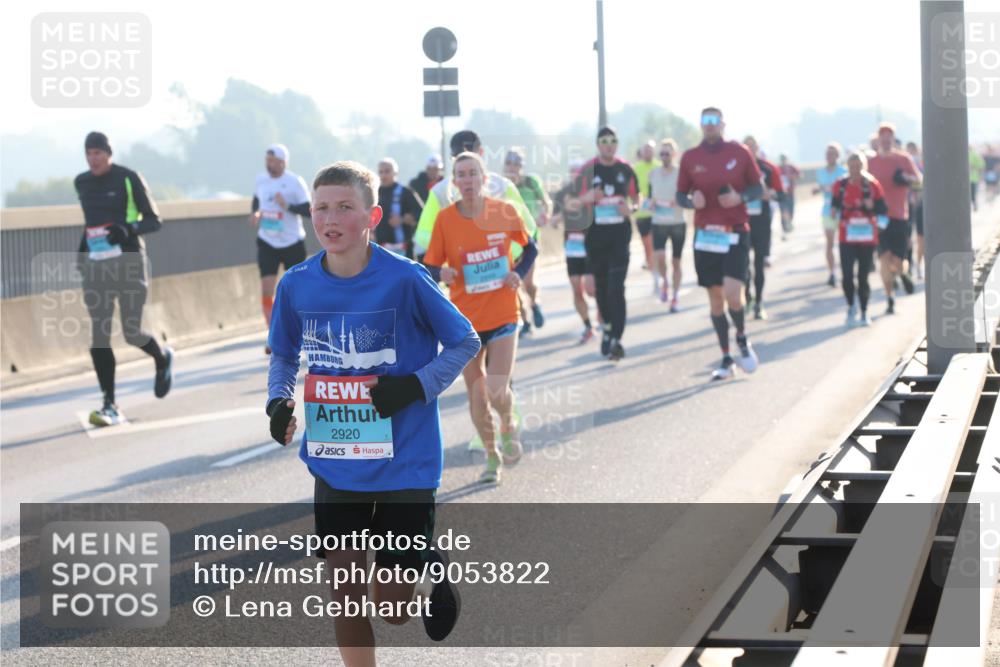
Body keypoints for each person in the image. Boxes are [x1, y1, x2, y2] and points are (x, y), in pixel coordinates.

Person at [266, 161, 479, 664]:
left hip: (405, 462)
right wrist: (278, 400)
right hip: (336, 460)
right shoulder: (296, 285)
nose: (330, 218)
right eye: (321, 208)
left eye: (344, 207)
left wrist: (413, 387)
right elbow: (282, 354)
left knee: (392, 609)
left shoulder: (406, 279)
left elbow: (464, 340)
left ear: (372, 215)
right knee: (345, 596)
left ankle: (426, 562)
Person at [423, 152, 537, 483]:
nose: (468, 180)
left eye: (474, 173)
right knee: (476, 394)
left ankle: (509, 423)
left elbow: (530, 248)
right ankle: (491, 457)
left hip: (502, 312)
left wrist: (519, 272)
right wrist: (441, 271)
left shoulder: (504, 212)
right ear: (454, 183)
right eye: (461, 175)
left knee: (497, 388)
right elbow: (429, 266)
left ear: (484, 179)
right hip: (464, 323)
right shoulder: (445, 220)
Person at [74, 131, 174, 427]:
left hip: (129, 262)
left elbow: (154, 220)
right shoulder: (82, 182)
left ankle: (161, 357)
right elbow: (90, 225)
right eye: (88, 153)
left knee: (131, 332)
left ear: (109, 153)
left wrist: (127, 229)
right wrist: (81, 256)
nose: (93, 159)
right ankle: (109, 403)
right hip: (96, 267)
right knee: (99, 335)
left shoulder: (128, 178)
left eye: (98, 153)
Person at [676, 108, 763, 380]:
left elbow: (758, 188)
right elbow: (680, 195)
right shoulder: (691, 157)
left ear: (723, 124)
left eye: (715, 120)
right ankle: (726, 359)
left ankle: (741, 337)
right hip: (706, 236)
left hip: (735, 231)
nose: (710, 125)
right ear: (701, 125)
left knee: (733, 294)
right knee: (715, 300)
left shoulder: (739, 152)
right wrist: (691, 203)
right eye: (706, 120)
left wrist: (739, 198)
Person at [564, 126, 640, 361]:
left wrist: (632, 209)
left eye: (613, 140)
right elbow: (570, 204)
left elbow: (637, 198)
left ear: (617, 144)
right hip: (595, 239)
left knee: (618, 287)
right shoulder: (588, 169)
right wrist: (588, 198)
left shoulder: (625, 169)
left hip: (620, 237)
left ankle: (616, 338)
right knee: (602, 289)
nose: (609, 144)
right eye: (604, 141)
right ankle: (607, 327)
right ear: (598, 144)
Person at [413, 130, 536, 261]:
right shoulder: (439, 191)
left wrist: (505, 253)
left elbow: (528, 227)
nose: (465, 163)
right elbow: (422, 235)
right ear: (452, 160)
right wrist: (452, 249)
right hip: (458, 273)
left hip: (500, 273)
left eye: (470, 157)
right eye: (460, 159)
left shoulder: (504, 187)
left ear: (481, 153)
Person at [250, 143, 312, 354]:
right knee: (267, 287)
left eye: (273, 161)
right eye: (267, 160)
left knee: (296, 289)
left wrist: (287, 206)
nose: (269, 165)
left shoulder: (294, 182)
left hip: (292, 241)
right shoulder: (261, 180)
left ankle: (302, 331)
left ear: (283, 162)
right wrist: (256, 213)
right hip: (267, 240)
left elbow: (308, 209)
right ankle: (273, 335)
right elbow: (257, 200)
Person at [867, 123, 921, 314]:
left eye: (889, 137)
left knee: (897, 261)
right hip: (880, 218)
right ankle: (890, 298)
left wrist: (906, 176)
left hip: (900, 216)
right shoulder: (871, 162)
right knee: (884, 259)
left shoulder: (903, 158)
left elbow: (918, 179)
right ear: (878, 140)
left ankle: (902, 273)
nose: (886, 140)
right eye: (883, 137)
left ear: (893, 139)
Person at [831, 151, 887, 327]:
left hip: (866, 238)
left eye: (859, 166)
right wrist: (834, 210)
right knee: (847, 276)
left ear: (864, 167)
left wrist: (873, 207)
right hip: (846, 237)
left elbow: (883, 209)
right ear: (847, 167)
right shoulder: (840, 185)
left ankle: (864, 311)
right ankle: (850, 306)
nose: (855, 170)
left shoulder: (872, 185)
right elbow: (834, 205)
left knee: (863, 277)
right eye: (852, 167)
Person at [503, 147, 550, 335]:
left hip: (528, 239)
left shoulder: (531, 182)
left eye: (516, 164)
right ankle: (524, 319)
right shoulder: (500, 185)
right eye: (509, 163)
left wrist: (545, 215)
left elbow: (547, 202)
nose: (512, 168)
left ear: (521, 166)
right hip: (507, 242)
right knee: (513, 285)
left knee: (529, 283)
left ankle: (535, 303)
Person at [552, 159, 600, 343]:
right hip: (572, 247)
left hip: (590, 245)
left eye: (578, 172)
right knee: (576, 288)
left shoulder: (590, 191)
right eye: (572, 171)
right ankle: (588, 325)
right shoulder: (562, 193)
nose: (575, 175)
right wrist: (565, 210)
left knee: (591, 288)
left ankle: (602, 309)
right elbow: (554, 220)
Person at [742, 136, 785, 320]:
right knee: (742, 264)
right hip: (741, 222)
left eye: (753, 146)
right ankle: (747, 297)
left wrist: (770, 195)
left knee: (759, 264)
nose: (750, 150)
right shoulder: (736, 168)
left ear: (758, 148)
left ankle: (759, 302)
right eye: (747, 147)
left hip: (761, 222)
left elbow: (781, 195)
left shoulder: (768, 168)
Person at [647, 138, 686, 311]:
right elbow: (649, 196)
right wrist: (651, 203)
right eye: (661, 153)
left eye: (667, 153)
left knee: (676, 262)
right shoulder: (653, 173)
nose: (664, 156)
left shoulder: (681, 173)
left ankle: (676, 296)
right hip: (658, 222)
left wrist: (679, 202)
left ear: (674, 154)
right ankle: (664, 282)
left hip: (677, 222)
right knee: (660, 258)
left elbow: (687, 195)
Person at [813, 143, 848, 287]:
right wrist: (818, 189)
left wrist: (829, 188)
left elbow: (844, 189)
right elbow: (819, 187)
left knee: (845, 244)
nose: (830, 157)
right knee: (829, 243)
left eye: (833, 154)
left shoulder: (843, 171)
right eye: (828, 154)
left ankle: (847, 272)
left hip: (843, 211)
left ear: (837, 156)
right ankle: (832, 273)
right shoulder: (820, 172)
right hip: (827, 211)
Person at [374, 158, 423, 259]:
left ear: (395, 172)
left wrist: (403, 219)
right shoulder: (373, 193)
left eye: (387, 171)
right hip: (380, 249)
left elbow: (421, 213)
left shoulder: (406, 192)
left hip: (403, 251)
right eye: (381, 172)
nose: (383, 175)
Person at [632, 139, 659, 294]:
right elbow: (631, 191)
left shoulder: (659, 166)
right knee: (647, 245)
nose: (648, 152)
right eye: (645, 150)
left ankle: (658, 274)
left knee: (657, 246)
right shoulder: (635, 168)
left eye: (650, 149)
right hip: (642, 213)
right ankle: (654, 275)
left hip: (658, 213)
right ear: (641, 152)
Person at [905, 141, 925, 280]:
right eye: (909, 151)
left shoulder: (922, 165)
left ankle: (918, 265)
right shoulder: (903, 165)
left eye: (914, 151)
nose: (912, 154)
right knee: (908, 237)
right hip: (906, 205)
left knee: (920, 237)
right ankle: (910, 264)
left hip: (920, 205)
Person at [778, 154, 801, 236]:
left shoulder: (791, 167)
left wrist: (793, 177)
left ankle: (789, 223)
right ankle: (784, 228)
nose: (783, 160)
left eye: (784, 159)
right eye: (782, 159)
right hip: (782, 193)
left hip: (790, 193)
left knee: (790, 210)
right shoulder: (778, 168)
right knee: (783, 210)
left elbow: (799, 175)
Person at [970, 145, 985, 213]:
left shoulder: (975, 154)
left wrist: (973, 167)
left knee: (973, 194)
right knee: (973, 194)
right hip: (973, 179)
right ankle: (974, 206)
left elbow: (981, 166)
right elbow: (981, 166)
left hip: (973, 178)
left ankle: (974, 206)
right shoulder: (975, 154)